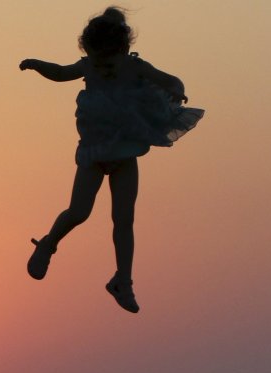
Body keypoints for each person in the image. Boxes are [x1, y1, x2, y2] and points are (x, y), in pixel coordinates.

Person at [19, 7, 204, 313]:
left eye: (107, 58)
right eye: (97, 57)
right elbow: (62, 73)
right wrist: (37, 65)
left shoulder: (134, 67)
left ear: (122, 49)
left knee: (123, 219)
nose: (103, 64)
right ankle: (48, 245)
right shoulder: (89, 66)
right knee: (78, 211)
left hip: (125, 154)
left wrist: (176, 91)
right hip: (93, 155)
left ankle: (123, 280)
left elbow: (170, 79)